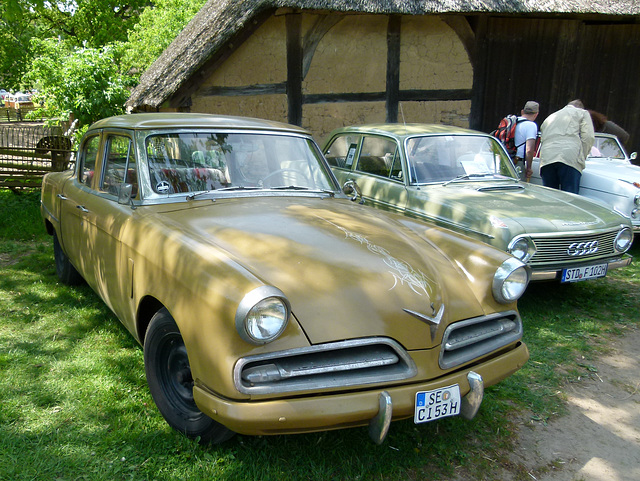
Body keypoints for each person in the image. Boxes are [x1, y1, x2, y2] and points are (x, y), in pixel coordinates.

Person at [539, 99, 594, 194]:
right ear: (580, 107)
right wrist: (581, 157)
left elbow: (542, 138)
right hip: (569, 157)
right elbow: (588, 137)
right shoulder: (582, 113)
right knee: (570, 198)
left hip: (546, 157)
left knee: (549, 197)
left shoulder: (550, 117)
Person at [514, 101, 539, 180]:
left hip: (506, 160)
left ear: (522, 111)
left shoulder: (513, 121)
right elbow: (529, 150)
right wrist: (528, 168)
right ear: (536, 114)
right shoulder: (531, 125)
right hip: (518, 161)